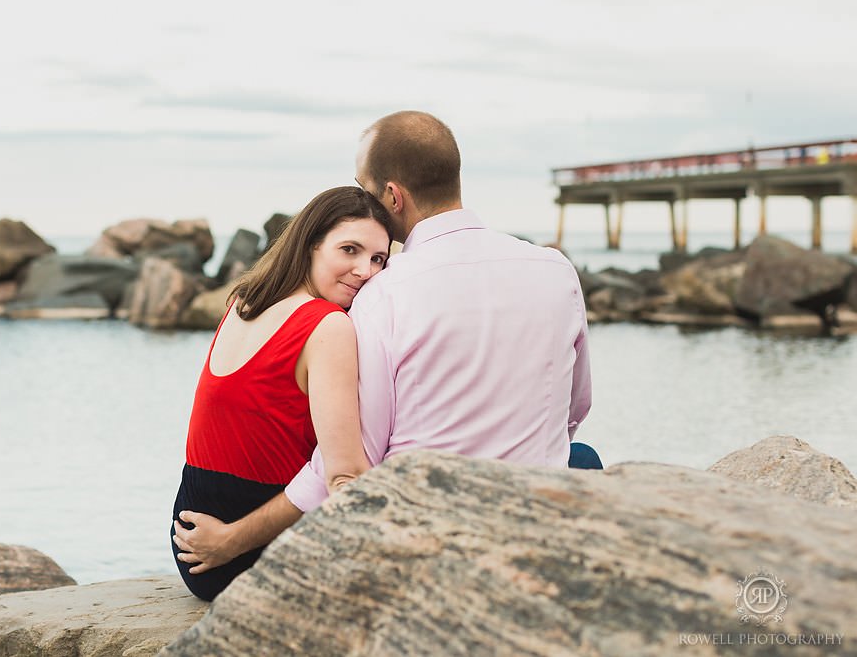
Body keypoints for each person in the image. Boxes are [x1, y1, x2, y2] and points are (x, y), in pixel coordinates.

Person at [173, 110, 596, 577]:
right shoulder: (555, 269)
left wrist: (232, 540)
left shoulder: (381, 295)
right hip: (527, 515)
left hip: (424, 530)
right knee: (581, 459)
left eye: (364, 187)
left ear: (392, 196)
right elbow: (576, 409)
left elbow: (352, 463)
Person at [170, 185, 393, 601]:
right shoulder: (328, 325)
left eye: (378, 258)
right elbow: (344, 475)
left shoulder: (243, 302)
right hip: (246, 552)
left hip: (190, 539)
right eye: (349, 250)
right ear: (310, 246)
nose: (366, 271)